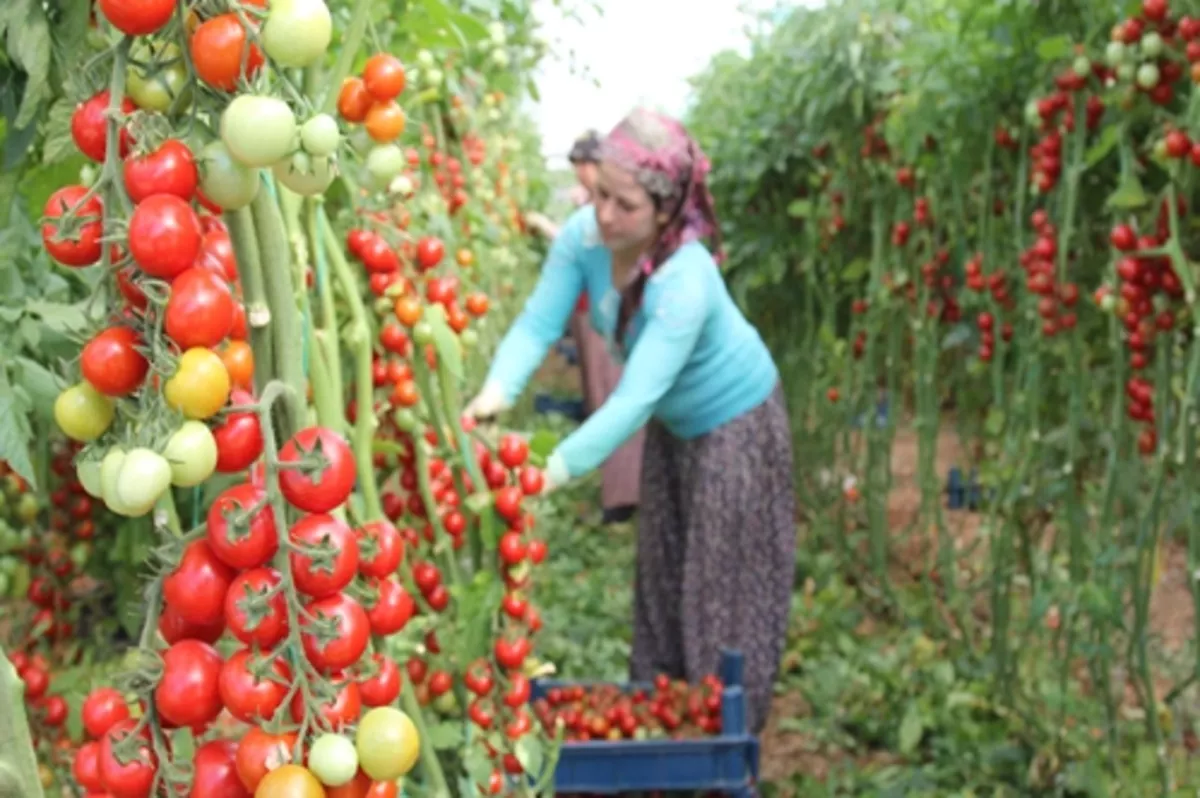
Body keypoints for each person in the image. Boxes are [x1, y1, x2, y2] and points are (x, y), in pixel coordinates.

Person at [465, 108, 796, 734]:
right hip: (675, 427)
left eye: (625, 204)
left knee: (722, 584)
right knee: (665, 571)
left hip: (738, 428)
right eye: (599, 197)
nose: (605, 215)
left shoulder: (685, 279)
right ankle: (665, 720)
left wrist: (547, 471)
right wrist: (495, 390)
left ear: (667, 211)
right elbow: (539, 321)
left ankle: (726, 739)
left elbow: (632, 401)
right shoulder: (584, 238)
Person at [525, 129, 644, 525]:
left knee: (612, 394)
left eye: (583, 170)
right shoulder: (591, 202)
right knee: (600, 394)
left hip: (604, 310)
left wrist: (546, 227)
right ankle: (616, 486)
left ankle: (623, 497)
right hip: (589, 310)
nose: (580, 178)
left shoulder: (608, 208)